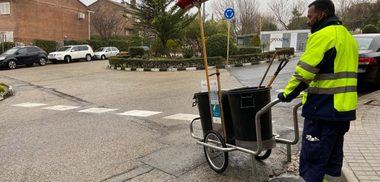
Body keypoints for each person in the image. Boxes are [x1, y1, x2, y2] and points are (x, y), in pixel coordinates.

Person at [277, 0, 358, 181]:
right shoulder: (347, 37)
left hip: (323, 111)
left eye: (310, 16)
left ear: (321, 14)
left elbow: (304, 73)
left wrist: (287, 94)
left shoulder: (323, 36)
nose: (308, 20)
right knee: (331, 160)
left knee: (313, 161)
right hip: (343, 111)